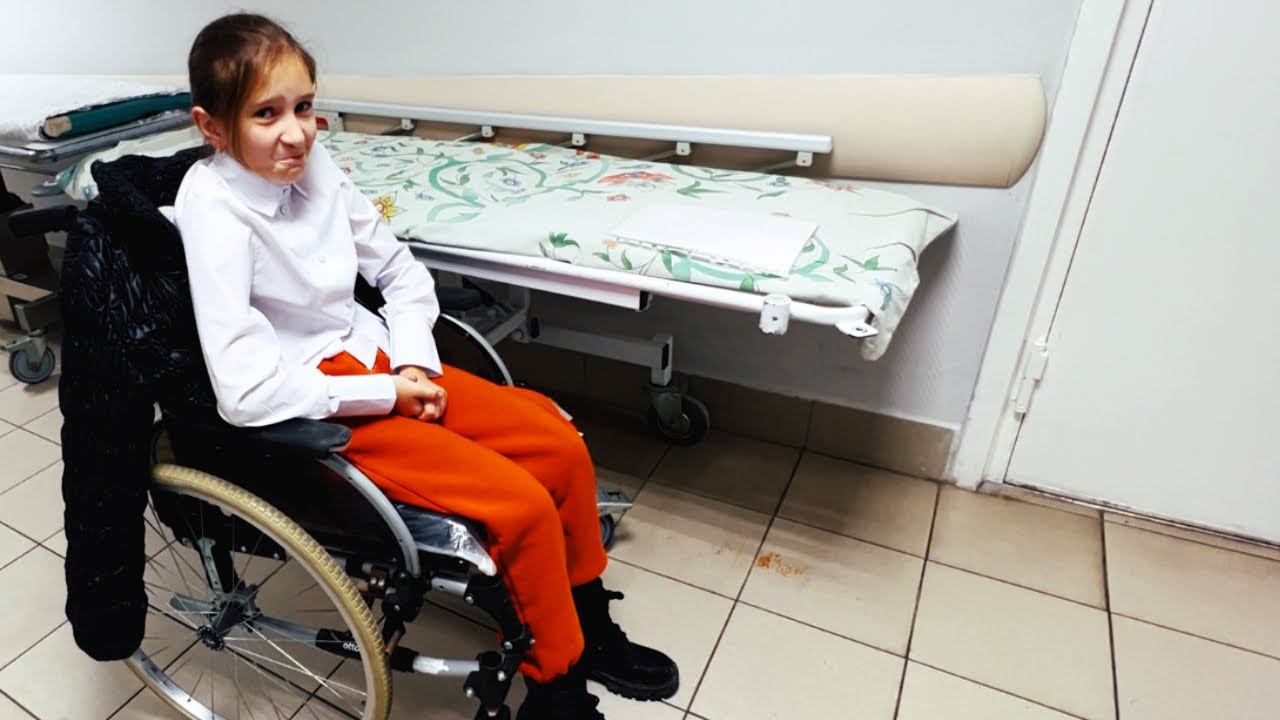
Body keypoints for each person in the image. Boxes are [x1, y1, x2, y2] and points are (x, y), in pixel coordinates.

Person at [175, 13, 677, 719]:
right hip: (316, 396)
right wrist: (386, 393)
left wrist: (414, 367)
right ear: (213, 127)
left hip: (383, 358)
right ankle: (556, 688)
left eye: (304, 106)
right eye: (267, 114)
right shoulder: (213, 208)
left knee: (559, 446)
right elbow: (244, 391)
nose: (297, 133)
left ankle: (588, 623)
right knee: (520, 505)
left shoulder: (314, 164)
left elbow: (403, 274)